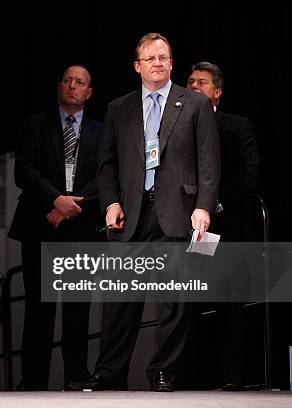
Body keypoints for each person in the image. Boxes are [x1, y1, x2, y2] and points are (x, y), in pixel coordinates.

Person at [87, 33, 220, 392]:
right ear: (137, 66)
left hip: (178, 213)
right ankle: (108, 374)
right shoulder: (119, 108)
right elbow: (107, 165)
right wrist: (111, 202)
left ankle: (164, 372)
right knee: (120, 300)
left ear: (172, 63)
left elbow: (209, 164)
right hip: (129, 215)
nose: (158, 63)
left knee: (174, 301)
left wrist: (203, 207)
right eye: (151, 59)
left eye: (164, 57)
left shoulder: (194, 104)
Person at [8, 64, 104, 390]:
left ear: (89, 93)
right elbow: (25, 172)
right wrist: (54, 200)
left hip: (81, 228)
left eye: (79, 82)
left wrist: (70, 206)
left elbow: (106, 177)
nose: (72, 86)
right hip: (40, 225)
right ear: (59, 87)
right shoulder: (35, 125)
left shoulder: (101, 132)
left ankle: (76, 377)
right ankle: (33, 381)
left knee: (78, 311)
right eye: (67, 80)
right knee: (39, 309)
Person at [187, 61, 260, 391]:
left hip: (226, 227)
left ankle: (232, 375)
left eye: (201, 82)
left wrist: (212, 201)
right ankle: (194, 375)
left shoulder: (235, 125)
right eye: (189, 81)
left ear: (217, 91)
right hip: (189, 229)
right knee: (192, 301)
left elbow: (250, 173)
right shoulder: (177, 127)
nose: (193, 86)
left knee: (230, 301)